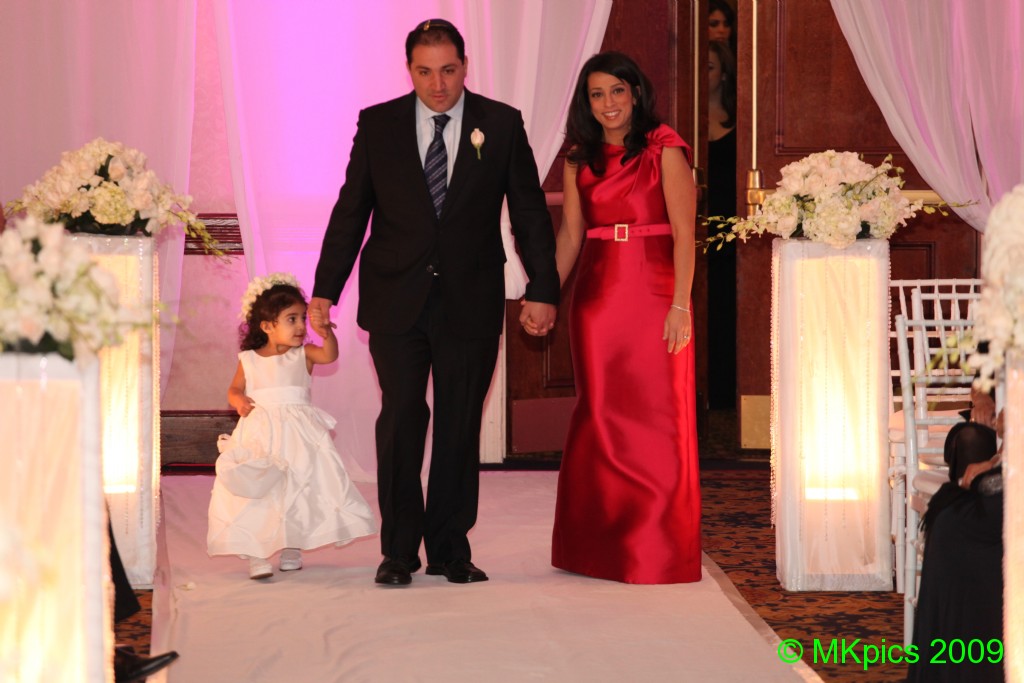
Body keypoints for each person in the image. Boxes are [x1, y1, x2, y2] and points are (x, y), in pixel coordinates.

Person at [309, 19, 560, 587]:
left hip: (470, 298)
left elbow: (528, 214)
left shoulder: (501, 123)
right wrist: (325, 288)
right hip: (395, 299)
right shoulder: (378, 124)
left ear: (465, 66)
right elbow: (351, 211)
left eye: (448, 70)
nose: (438, 84)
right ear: (409, 70)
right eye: (425, 72)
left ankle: (450, 548)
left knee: (459, 424)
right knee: (401, 419)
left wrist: (543, 288)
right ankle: (398, 550)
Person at [549, 51, 702, 584]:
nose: (608, 103)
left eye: (617, 90)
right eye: (597, 94)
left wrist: (680, 304)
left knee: (659, 417)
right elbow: (571, 235)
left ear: (635, 93)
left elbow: (685, 233)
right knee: (600, 415)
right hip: (597, 300)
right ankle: (599, 547)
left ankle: (656, 548)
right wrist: (544, 295)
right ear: (586, 103)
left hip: (656, 295)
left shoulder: (665, 147)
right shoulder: (578, 159)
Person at [207, 274, 377, 580]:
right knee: (259, 488)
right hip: (261, 434)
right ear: (267, 326)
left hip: (299, 437)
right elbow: (234, 389)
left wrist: (326, 333)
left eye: (302, 318)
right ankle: (257, 553)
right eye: (291, 319)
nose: (300, 326)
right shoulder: (249, 360)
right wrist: (239, 400)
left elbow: (330, 355)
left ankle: (291, 545)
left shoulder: (304, 355)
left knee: (297, 488)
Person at [908, 388, 1004, 682]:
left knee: (953, 523)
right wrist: (984, 401)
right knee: (970, 440)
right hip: (1002, 435)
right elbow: (982, 377)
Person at [706, 39, 738, 409]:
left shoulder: (739, 120)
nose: (704, 75)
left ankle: (728, 394)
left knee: (727, 306)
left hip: (731, 227)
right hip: (695, 225)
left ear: (725, 74)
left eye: (711, 67)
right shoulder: (686, 121)